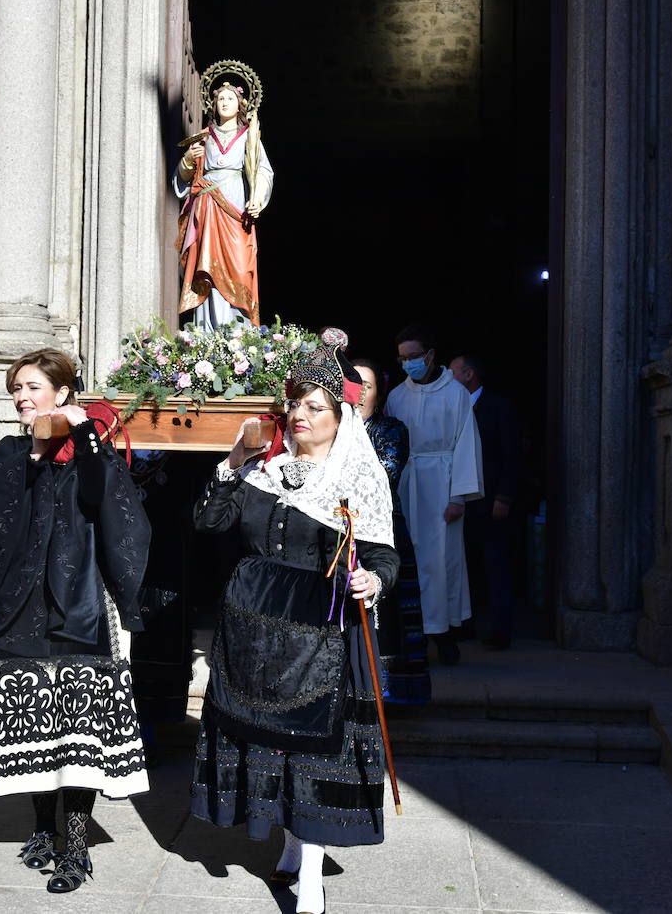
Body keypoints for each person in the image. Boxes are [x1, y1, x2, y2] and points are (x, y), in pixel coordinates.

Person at [192, 328, 397, 914]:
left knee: (310, 751)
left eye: (315, 406)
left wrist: (372, 579)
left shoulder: (359, 477)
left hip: (320, 634)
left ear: (341, 417)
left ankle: (310, 875)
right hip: (251, 630)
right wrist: (234, 459)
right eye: (295, 403)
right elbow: (209, 522)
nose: (300, 414)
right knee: (265, 745)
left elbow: (384, 554)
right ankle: (287, 847)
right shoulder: (264, 470)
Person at [0, 348, 151, 894]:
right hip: (17, 605)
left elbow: (103, 504)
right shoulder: (9, 453)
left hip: (78, 606)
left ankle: (76, 850)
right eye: (16, 389)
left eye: (32, 387)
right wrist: (35, 452)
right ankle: (41, 830)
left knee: (76, 731)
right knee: (33, 726)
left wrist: (80, 440)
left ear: (61, 393)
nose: (22, 397)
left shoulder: (92, 451)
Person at [384, 324, 483, 665]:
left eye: (413, 356)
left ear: (430, 355)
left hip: (443, 485)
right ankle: (413, 637)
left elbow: (466, 444)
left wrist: (459, 497)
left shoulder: (456, 394)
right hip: (409, 484)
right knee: (410, 561)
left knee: (443, 562)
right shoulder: (397, 396)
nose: (408, 363)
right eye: (402, 358)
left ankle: (444, 635)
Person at [351, 358, 430, 704]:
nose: (359, 393)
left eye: (367, 386)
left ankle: (393, 691)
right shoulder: (330, 428)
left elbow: (387, 474)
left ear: (378, 394)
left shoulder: (392, 429)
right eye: (354, 384)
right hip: (342, 531)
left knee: (391, 614)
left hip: (383, 532)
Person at [174, 60, 274, 328]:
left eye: (230, 98)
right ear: (213, 103)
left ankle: (236, 332)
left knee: (238, 268)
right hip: (207, 210)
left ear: (240, 104)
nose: (225, 103)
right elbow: (182, 178)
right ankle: (208, 331)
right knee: (206, 268)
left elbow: (263, 171)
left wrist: (257, 199)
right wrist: (187, 160)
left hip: (234, 211)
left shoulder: (249, 137)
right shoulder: (203, 137)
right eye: (220, 98)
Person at [450, 354, 522, 650]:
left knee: (495, 565)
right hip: (461, 502)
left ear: (469, 374)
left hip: (491, 500)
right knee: (463, 566)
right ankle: (464, 625)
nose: (447, 377)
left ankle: (499, 630)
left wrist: (504, 496)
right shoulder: (453, 407)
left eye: (453, 372)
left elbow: (512, 455)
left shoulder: (499, 407)